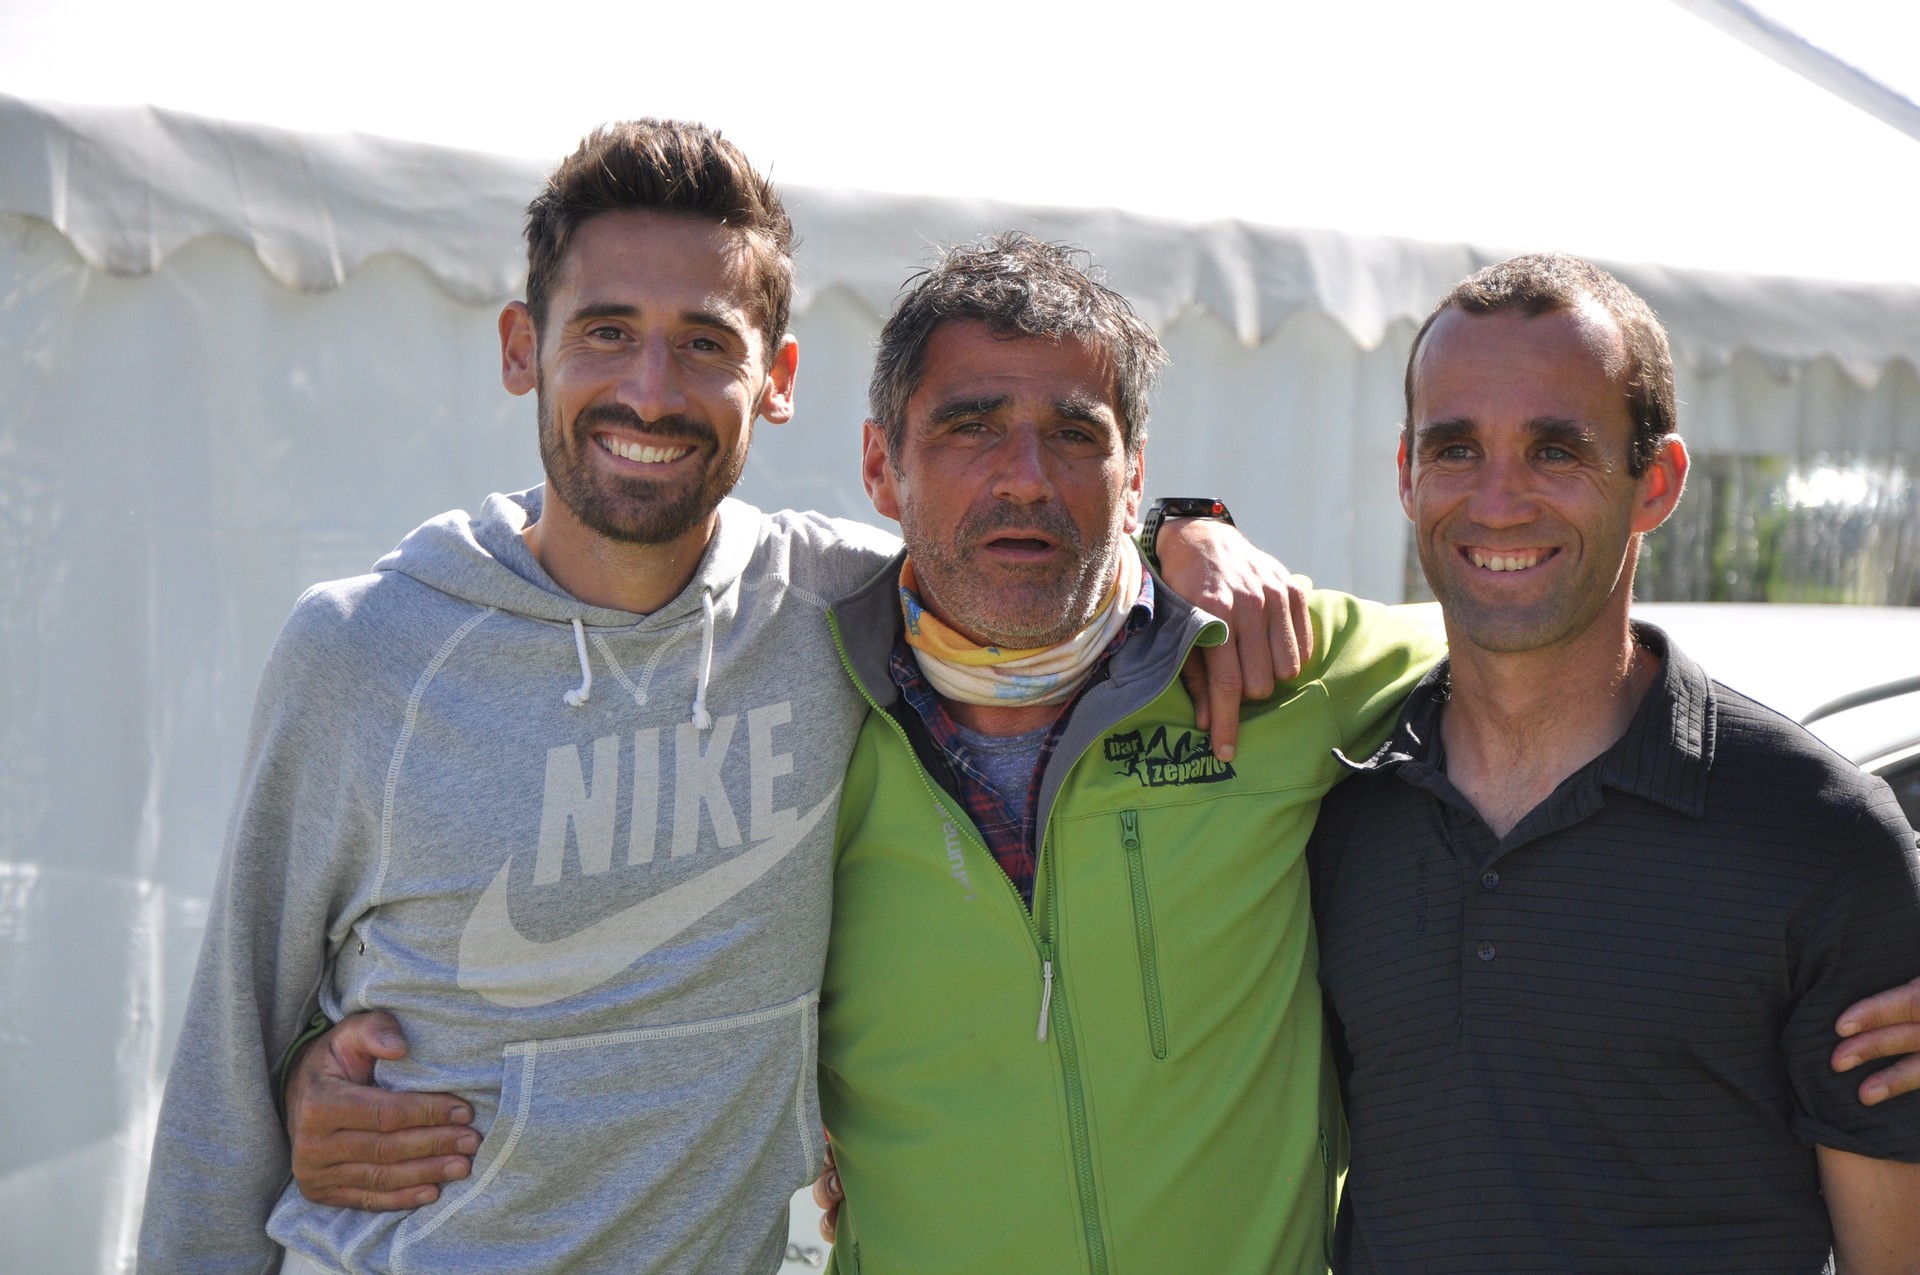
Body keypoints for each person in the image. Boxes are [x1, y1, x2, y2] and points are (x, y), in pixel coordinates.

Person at [135, 123, 1299, 1275]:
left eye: (704, 343)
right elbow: (224, 1078)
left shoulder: (841, 609)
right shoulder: (365, 652)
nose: (651, 392)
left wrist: (1185, 528)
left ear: (775, 380)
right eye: (606, 332)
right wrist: (303, 1067)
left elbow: (1025, 549)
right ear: (521, 348)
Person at [1309, 253, 1920, 1273]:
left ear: (1658, 483)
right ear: (1407, 474)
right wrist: (1182, 529)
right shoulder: (1331, 804)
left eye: (1556, 450)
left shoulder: (1823, 835)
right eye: (1457, 448)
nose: (1498, 501)